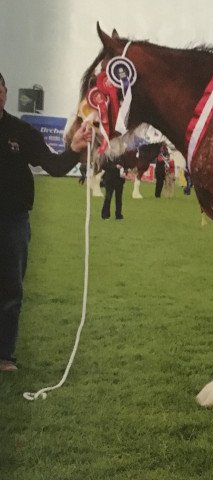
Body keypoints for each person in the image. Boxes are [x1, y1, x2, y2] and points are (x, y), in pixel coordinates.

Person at [0, 71, 92, 372]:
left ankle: (5, 356)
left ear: (5, 92)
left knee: (11, 290)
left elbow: (53, 166)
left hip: (13, 222)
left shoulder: (21, 131)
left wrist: (75, 148)